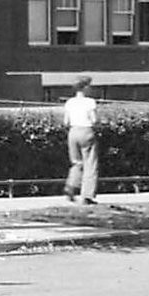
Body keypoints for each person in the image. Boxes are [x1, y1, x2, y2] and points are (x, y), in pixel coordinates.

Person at [63, 75, 100, 205]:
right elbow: (94, 120)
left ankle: (71, 188)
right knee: (90, 164)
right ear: (85, 87)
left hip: (73, 132)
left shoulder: (69, 102)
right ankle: (87, 195)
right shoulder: (90, 102)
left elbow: (66, 121)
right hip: (86, 131)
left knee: (76, 163)